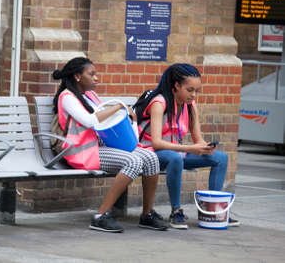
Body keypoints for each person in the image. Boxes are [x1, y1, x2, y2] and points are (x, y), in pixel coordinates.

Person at [52, 57, 168, 233]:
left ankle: (147, 215)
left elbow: (104, 123)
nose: (96, 78)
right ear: (77, 76)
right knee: (134, 162)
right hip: (81, 152)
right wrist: (119, 107)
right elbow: (89, 120)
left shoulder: (90, 95)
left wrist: (127, 117)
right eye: (91, 74)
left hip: (101, 146)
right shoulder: (66, 97)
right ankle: (100, 216)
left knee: (151, 158)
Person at [136, 63, 239, 229]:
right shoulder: (159, 103)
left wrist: (205, 147)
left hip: (176, 151)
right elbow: (156, 142)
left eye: (197, 91)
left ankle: (214, 210)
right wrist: (190, 149)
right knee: (175, 158)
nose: (194, 95)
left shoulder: (190, 106)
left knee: (220, 158)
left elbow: (198, 139)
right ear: (177, 86)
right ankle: (176, 211)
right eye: (190, 90)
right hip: (150, 153)